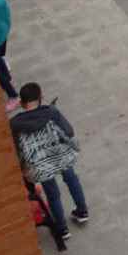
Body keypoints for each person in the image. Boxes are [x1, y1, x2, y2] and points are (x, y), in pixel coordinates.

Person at [10, 83, 88, 238]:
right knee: (72, 179)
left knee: (52, 194)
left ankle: (62, 228)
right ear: (40, 97)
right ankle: (82, 211)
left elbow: (16, 149)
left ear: (21, 102)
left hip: (40, 165)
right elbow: (69, 131)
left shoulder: (15, 123)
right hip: (60, 154)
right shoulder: (51, 112)